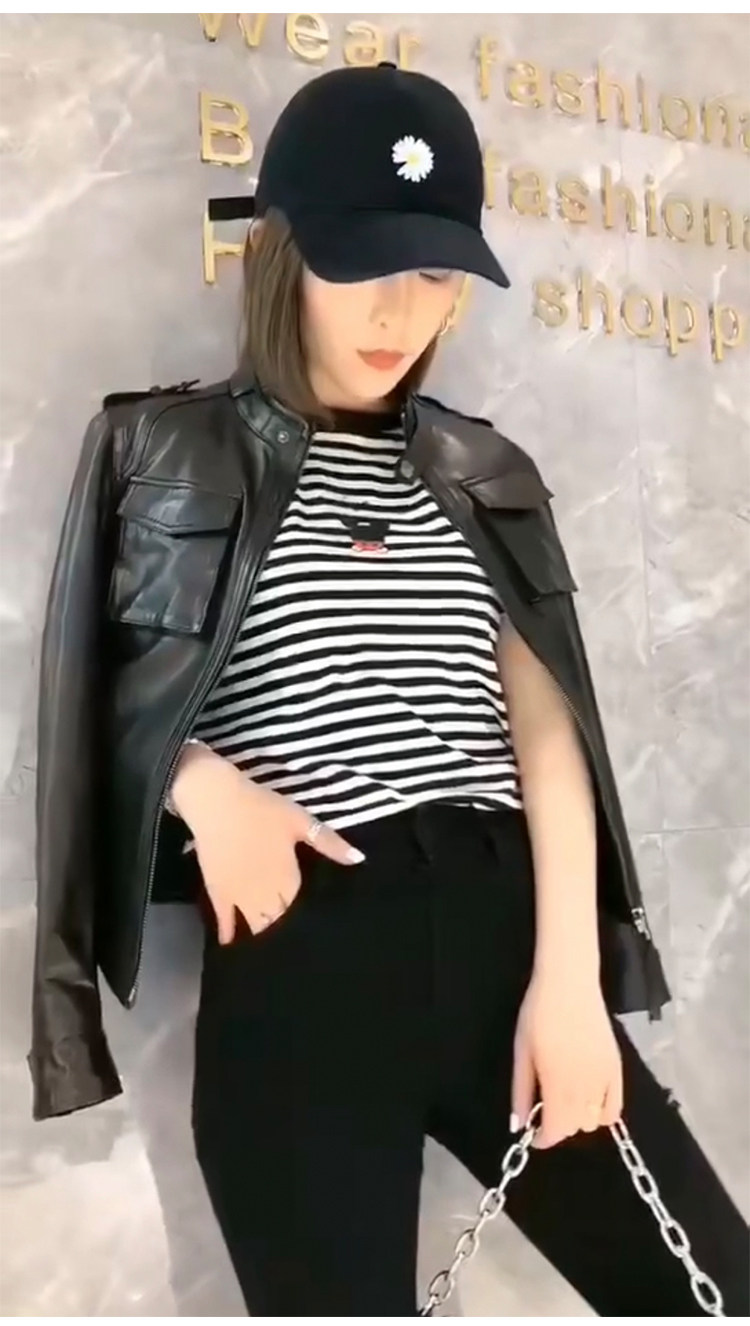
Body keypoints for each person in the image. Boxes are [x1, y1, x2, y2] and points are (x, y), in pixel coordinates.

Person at [28, 62, 747, 1317]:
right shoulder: (161, 448)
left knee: (715, 1291)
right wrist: (204, 788)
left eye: (434, 274)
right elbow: (87, 705)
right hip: (300, 968)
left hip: (506, 941)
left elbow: (547, 736)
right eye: (363, 264)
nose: (399, 312)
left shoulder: (484, 469)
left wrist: (570, 983)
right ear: (281, 251)